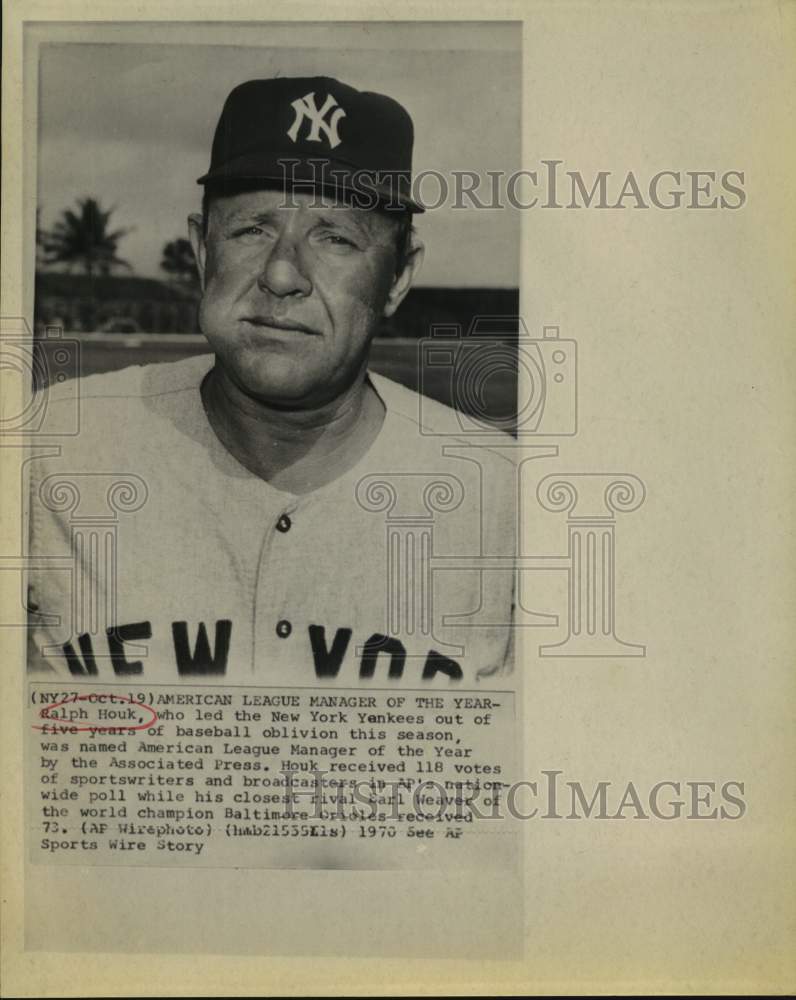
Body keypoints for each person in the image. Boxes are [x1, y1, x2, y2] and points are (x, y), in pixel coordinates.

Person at [27, 76, 515, 684]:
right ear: (204, 252)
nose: (283, 274)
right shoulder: (52, 450)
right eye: (252, 230)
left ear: (397, 278)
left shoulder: (499, 492)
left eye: (336, 238)